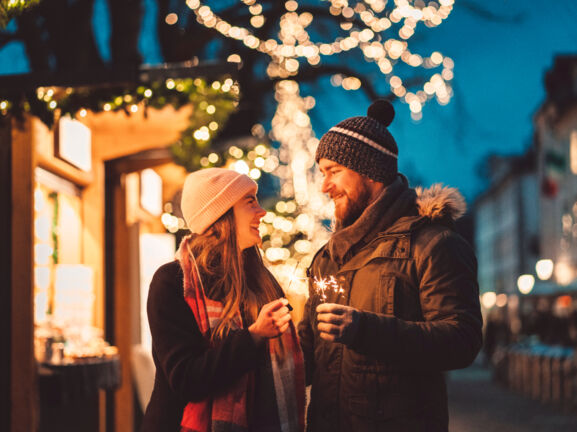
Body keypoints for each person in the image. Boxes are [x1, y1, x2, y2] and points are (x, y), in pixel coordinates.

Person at [297, 100, 483, 431]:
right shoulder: (327, 257)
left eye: (334, 171)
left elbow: (462, 340)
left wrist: (365, 330)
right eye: (322, 173)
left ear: (370, 171)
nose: (324, 187)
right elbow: (308, 351)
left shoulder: (432, 244)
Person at [142, 168, 305, 432]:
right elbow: (186, 380)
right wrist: (253, 336)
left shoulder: (260, 280)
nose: (261, 212)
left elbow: (284, 361)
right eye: (250, 201)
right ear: (221, 215)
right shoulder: (172, 282)